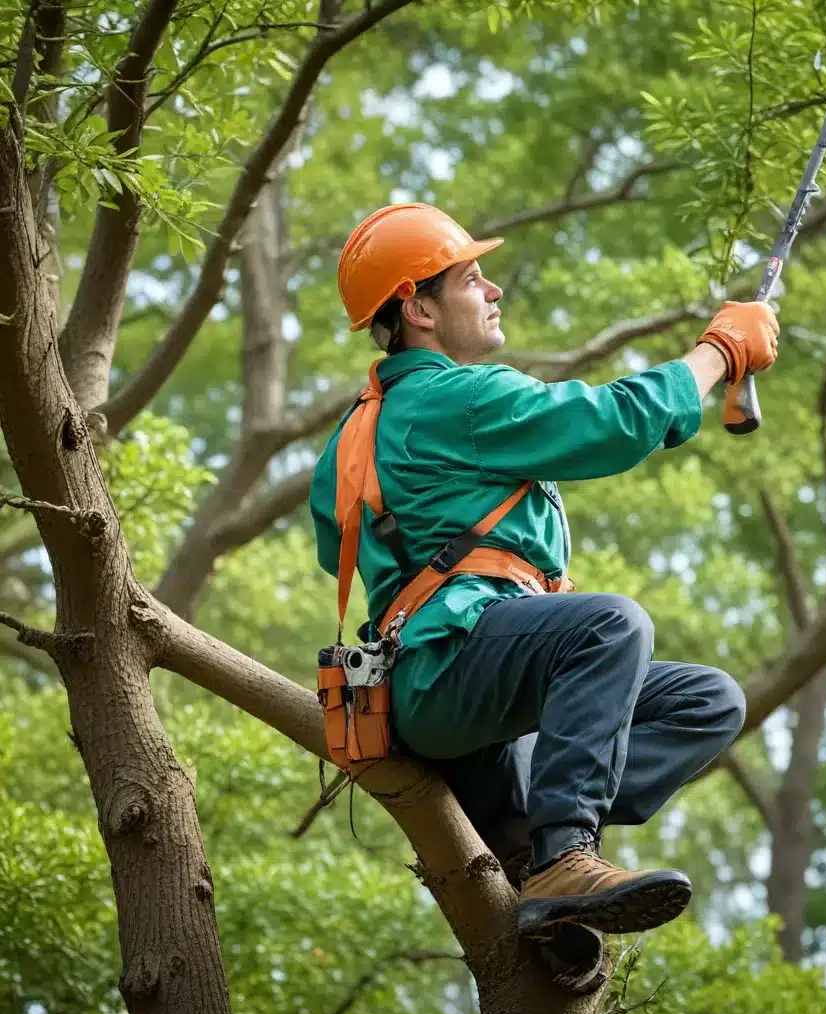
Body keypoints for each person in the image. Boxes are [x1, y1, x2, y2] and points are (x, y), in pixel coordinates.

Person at [310, 203, 779, 942]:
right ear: (419, 308)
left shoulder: (351, 437)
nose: (493, 290)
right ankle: (564, 852)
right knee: (609, 626)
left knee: (707, 700)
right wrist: (718, 353)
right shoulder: (455, 398)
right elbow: (610, 423)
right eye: (472, 278)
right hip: (447, 669)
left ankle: (534, 855)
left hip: (438, 683)